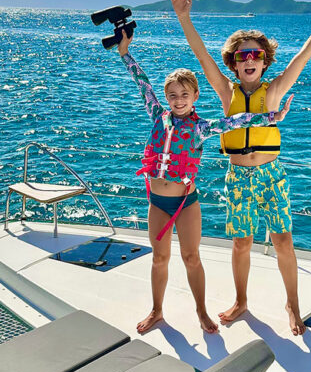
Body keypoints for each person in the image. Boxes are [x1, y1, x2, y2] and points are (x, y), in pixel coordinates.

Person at [171, 0, 311, 336]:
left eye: (255, 55)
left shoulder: (274, 93)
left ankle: (293, 304)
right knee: (242, 242)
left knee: (283, 240)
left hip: (272, 175)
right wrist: (184, 18)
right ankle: (241, 301)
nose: (249, 60)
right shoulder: (227, 92)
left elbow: (303, 56)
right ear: (234, 64)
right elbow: (202, 58)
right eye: (242, 56)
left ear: (265, 61)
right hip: (237, 177)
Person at [116, 29, 294, 334]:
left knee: (191, 257)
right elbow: (141, 81)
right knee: (159, 259)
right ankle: (157, 310)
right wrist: (124, 53)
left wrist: (270, 117)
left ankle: (201, 312)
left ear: (195, 96)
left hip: (186, 202)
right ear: (166, 97)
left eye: (185, 94)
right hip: (157, 202)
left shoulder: (201, 127)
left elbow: (235, 121)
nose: (178, 100)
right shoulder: (157, 114)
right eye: (172, 95)